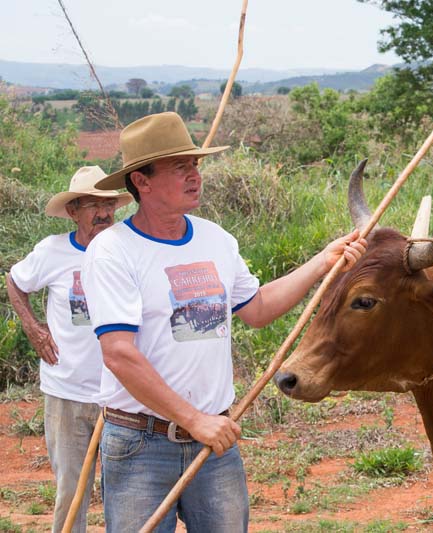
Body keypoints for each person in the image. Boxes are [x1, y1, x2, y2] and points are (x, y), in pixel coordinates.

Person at [81, 112, 367, 532]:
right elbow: (120, 355)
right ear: (141, 181)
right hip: (141, 445)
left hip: (216, 442)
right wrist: (193, 419)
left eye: (195, 164)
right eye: (179, 167)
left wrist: (323, 262)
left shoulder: (215, 239)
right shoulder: (112, 252)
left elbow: (258, 308)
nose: (195, 175)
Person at [6, 166, 133, 533]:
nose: (103, 213)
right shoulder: (53, 251)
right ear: (74, 211)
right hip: (68, 394)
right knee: (71, 493)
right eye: (93, 204)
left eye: (108, 203)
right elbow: (15, 282)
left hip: (123, 397)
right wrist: (34, 329)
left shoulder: (127, 249)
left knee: (124, 494)